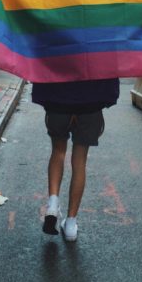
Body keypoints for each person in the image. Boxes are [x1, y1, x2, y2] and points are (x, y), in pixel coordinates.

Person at [32, 78, 119, 241]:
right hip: (90, 103)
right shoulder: (96, 50)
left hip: (58, 99)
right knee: (79, 161)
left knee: (58, 151)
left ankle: (53, 202)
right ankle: (71, 224)